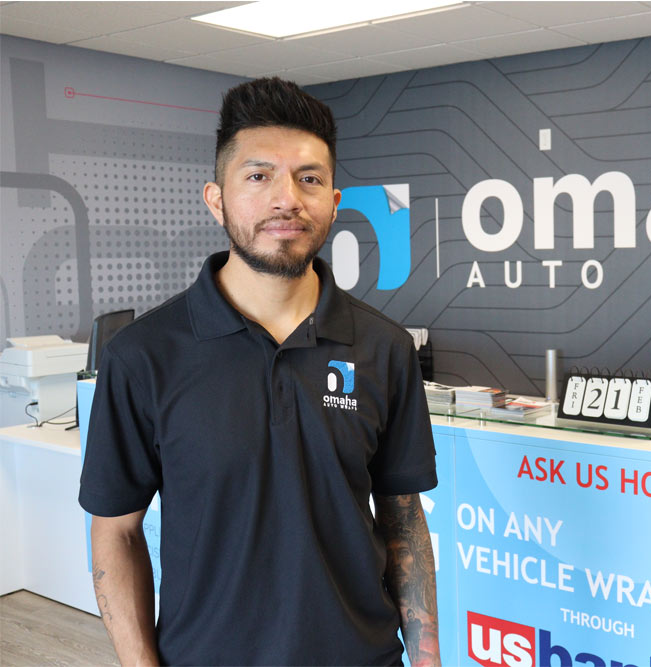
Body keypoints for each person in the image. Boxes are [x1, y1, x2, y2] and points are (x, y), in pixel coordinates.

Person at [78, 77, 440, 667]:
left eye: (310, 178)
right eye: (258, 175)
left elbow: (403, 520)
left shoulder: (385, 347)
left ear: (334, 201)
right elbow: (115, 532)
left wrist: (427, 660)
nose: (287, 198)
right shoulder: (143, 355)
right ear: (216, 198)